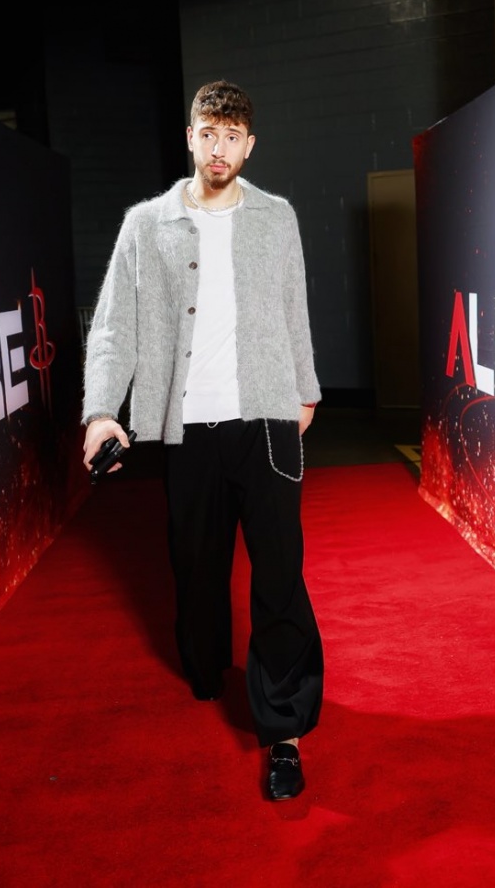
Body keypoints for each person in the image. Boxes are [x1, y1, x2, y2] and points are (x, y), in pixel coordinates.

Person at [81, 79, 324, 800]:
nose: (220, 148)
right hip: (186, 428)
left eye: (233, 137)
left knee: (279, 576)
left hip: (267, 420)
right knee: (196, 567)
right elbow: (114, 327)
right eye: (208, 134)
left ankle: (284, 730)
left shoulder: (277, 218)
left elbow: (295, 305)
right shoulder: (145, 224)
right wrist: (101, 411)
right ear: (190, 137)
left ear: (250, 146)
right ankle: (206, 660)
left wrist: (305, 390)